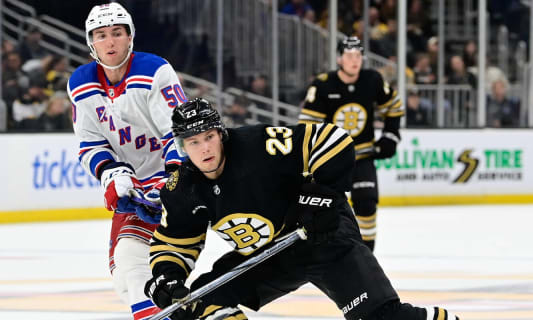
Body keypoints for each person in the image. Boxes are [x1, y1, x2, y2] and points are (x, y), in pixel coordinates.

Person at [145, 98, 459, 320]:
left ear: (221, 134)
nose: (205, 148)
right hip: (274, 256)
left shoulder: (257, 146)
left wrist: (318, 198)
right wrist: (167, 277)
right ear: (182, 146)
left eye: (209, 137)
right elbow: (173, 242)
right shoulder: (181, 188)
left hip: (325, 240)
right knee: (198, 303)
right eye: (194, 142)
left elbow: (332, 140)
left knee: (381, 317)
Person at [65, 3, 186, 320]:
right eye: (101, 35)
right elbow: (90, 143)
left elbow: (180, 132)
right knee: (122, 273)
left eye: (117, 33)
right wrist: (112, 173)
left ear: (130, 37)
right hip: (139, 189)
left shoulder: (154, 71)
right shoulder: (80, 83)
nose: (110, 42)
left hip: (180, 181)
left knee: (130, 259)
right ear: (91, 42)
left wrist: (173, 182)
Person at [298, 36, 403, 251]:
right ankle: (328, 252)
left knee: (366, 202)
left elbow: (394, 106)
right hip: (331, 159)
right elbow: (307, 126)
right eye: (349, 56)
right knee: (326, 208)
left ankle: (366, 253)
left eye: (358, 56)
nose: (355, 60)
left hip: (362, 156)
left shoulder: (372, 79)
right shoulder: (323, 84)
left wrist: (390, 135)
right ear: (339, 59)